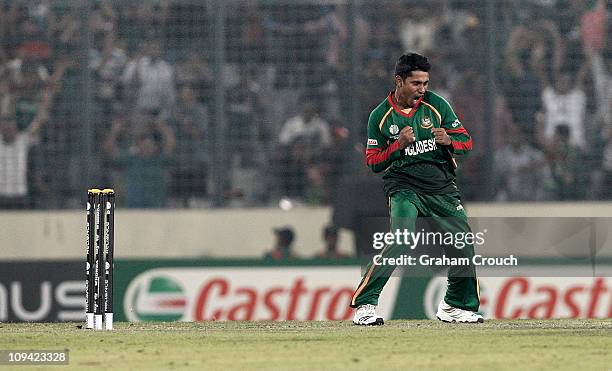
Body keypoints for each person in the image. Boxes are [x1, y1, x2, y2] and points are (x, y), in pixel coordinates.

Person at [350, 53, 482, 325]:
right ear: (399, 81)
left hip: (440, 186)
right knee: (401, 240)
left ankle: (453, 306)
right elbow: (373, 162)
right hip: (404, 187)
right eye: (416, 83)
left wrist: (449, 141)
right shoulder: (380, 116)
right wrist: (397, 146)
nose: (422, 89)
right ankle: (365, 305)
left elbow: (466, 142)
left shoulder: (437, 105)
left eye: (425, 83)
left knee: (463, 244)